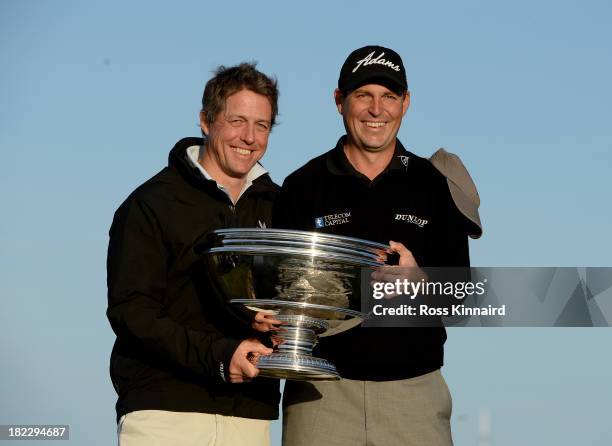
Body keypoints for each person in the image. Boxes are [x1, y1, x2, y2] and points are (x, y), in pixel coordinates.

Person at [274, 46, 482, 446]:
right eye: (363, 95)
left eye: (389, 96)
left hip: (414, 395)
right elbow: (279, 293)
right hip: (321, 394)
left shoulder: (434, 184)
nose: (376, 110)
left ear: (405, 103)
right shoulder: (302, 185)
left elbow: (461, 298)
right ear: (339, 101)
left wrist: (421, 280)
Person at [107, 62, 283, 446]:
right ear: (206, 120)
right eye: (237, 120)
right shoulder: (151, 204)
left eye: (262, 125)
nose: (249, 137)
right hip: (165, 413)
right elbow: (132, 312)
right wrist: (220, 355)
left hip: (250, 415)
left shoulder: (280, 208)